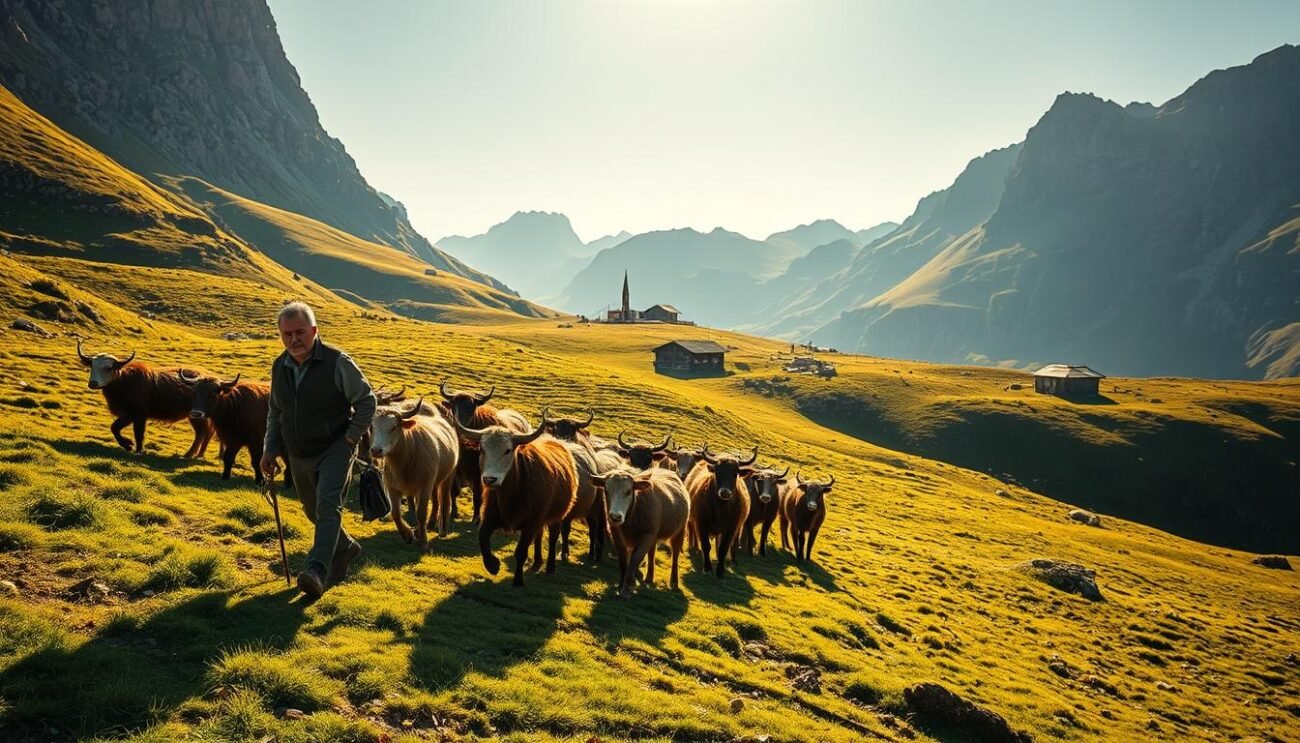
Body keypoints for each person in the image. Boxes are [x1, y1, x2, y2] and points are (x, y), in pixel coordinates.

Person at [260, 301, 375, 598]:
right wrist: (269, 449)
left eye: (300, 332)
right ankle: (346, 547)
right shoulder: (279, 366)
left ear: (314, 331)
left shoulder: (338, 362)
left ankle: (316, 570)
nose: (293, 339)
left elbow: (366, 401)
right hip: (298, 450)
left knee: (327, 505)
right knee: (312, 509)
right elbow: (276, 411)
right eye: (287, 334)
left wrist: (350, 438)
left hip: (336, 445)